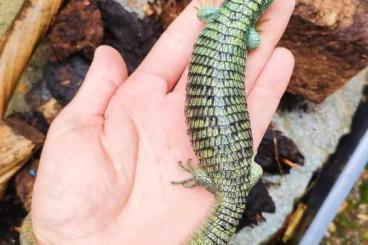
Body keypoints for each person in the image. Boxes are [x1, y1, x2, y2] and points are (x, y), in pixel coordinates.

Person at [25, 0, 295, 244]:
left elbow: (205, 12)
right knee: (250, 174)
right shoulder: (247, 32)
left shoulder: (216, 12)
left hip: (224, 169)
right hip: (227, 172)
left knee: (245, 176)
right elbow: (253, 43)